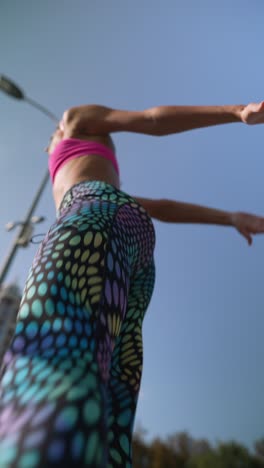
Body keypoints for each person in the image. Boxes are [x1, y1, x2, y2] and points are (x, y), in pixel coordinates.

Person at [1, 101, 264, 468]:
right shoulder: (103, 182)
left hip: (89, 223)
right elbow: (165, 207)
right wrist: (231, 217)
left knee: (46, 360)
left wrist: (236, 112)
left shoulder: (74, 120)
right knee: (108, 399)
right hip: (129, 243)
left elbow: (152, 120)